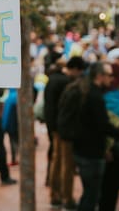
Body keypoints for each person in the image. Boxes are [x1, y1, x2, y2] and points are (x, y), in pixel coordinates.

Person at [72, 62, 119, 211]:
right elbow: (102, 126)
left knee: (91, 194)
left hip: (85, 150)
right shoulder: (96, 96)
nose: (111, 79)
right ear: (100, 76)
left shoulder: (88, 91)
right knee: (91, 195)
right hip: (92, 152)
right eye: (109, 75)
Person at [44, 56, 85, 208]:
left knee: (56, 161)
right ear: (75, 69)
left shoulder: (53, 78)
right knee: (67, 164)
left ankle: (55, 194)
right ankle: (67, 197)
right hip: (64, 128)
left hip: (54, 127)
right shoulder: (67, 82)